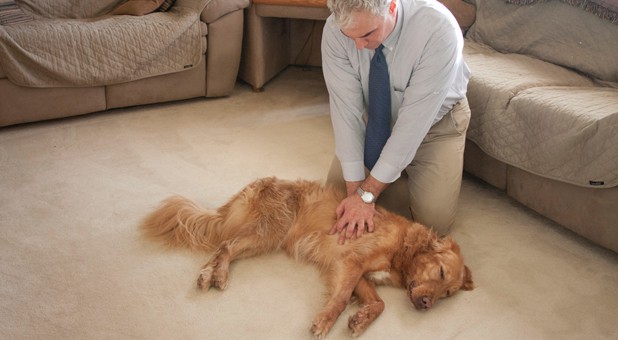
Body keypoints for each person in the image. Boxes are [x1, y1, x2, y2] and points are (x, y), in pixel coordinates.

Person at [322, 0, 471, 244]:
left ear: (391, 7)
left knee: (434, 225)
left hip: (435, 126)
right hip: (377, 122)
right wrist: (355, 195)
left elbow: (411, 127)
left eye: (367, 34)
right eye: (350, 37)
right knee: (334, 199)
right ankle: (392, 173)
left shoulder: (438, 29)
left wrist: (367, 195)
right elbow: (346, 113)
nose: (359, 46)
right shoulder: (333, 30)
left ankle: (398, 173)